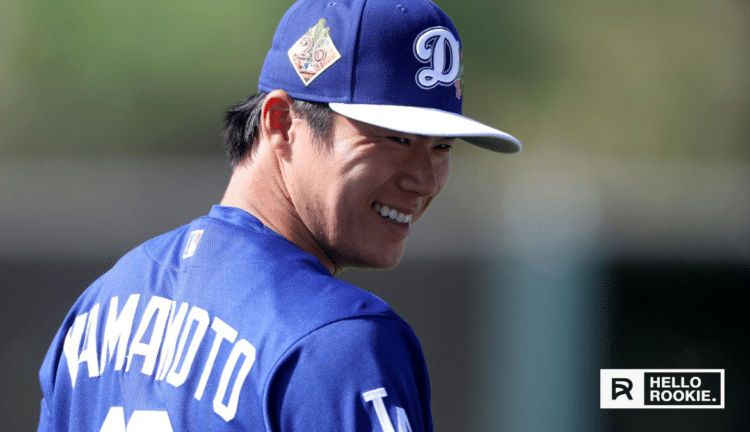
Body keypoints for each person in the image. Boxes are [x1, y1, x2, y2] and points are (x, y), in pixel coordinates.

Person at [37, 0, 521, 431]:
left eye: (441, 147)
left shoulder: (98, 308)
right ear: (281, 123)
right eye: (395, 139)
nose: (424, 179)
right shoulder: (339, 340)